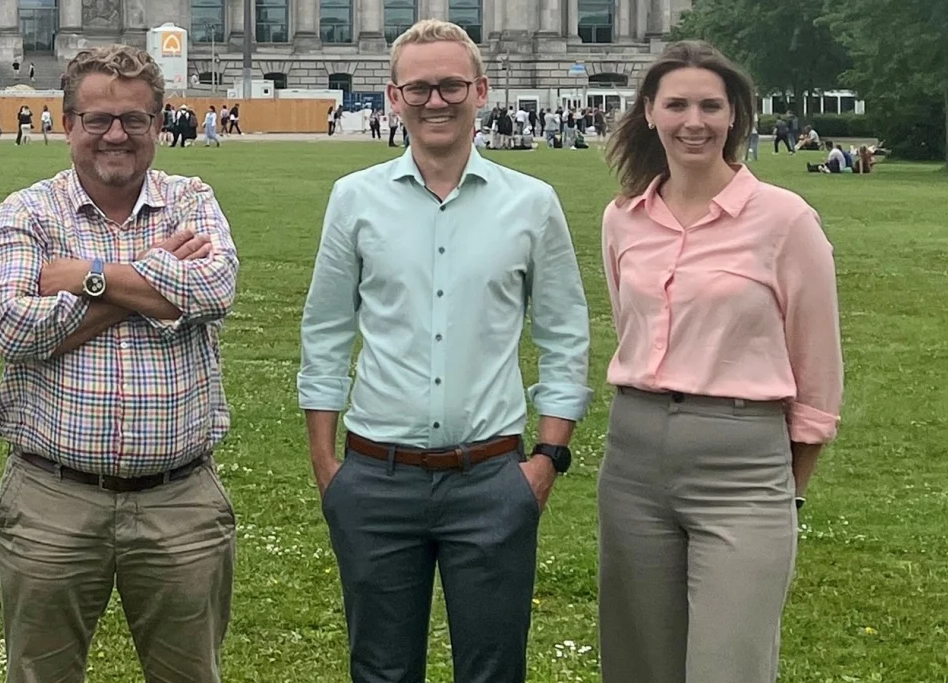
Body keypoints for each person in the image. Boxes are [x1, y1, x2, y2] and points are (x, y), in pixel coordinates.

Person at [298, 18, 591, 683]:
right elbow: (325, 331)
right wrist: (326, 464)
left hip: (491, 479)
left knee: (492, 669)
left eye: (452, 85)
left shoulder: (532, 204)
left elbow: (564, 333)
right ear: (394, 97)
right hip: (374, 478)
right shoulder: (355, 200)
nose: (437, 100)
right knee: (380, 669)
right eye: (421, 87)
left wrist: (546, 459)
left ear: (481, 90)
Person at [0, 44, 239, 683]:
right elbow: (14, 328)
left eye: (134, 120)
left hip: (181, 500)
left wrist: (82, 277)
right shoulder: (27, 210)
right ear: (67, 124)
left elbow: (215, 290)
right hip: (50, 498)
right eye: (97, 120)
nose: (115, 135)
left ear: (159, 123)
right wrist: (153, 285)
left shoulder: (192, 197)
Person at [599, 40, 843, 683]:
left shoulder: (785, 220)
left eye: (711, 105)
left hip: (744, 466)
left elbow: (818, 375)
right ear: (649, 112)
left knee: (728, 664)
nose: (694, 121)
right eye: (676, 104)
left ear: (736, 115)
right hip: (633, 459)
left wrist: (787, 489)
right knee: (638, 661)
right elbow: (633, 331)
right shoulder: (623, 220)